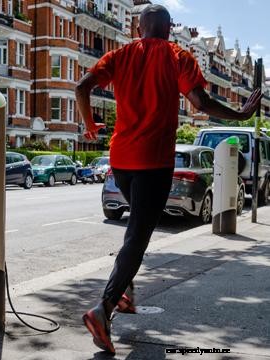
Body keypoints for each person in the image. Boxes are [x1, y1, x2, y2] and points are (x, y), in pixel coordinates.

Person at [75, 4, 262, 354]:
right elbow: (201, 102)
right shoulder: (179, 56)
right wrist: (240, 113)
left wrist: (89, 126)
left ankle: (125, 294)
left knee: (136, 229)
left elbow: (81, 88)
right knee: (138, 237)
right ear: (168, 27)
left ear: (138, 29)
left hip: (121, 162)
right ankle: (103, 309)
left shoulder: (119, 55)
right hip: (154, 163)